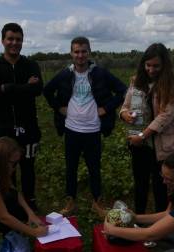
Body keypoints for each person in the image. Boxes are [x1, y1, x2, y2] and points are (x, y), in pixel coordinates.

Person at [43, 36, 127, 216]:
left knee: (94, 167)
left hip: (93, 129)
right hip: (72, 128)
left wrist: (107, 108)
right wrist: (59, 107)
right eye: (76, 51)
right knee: (70, 167)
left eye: (83, 51)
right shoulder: (65, 74)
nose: (80, 55)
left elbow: (122, 90)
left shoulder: (100, 73)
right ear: (71, 53)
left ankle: (97, 202)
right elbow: (47, 90)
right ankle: (70, 202)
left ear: (89, 52)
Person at [0, 23, 43, 212]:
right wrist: (25, 88)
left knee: (28, 167)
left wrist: (8, 88)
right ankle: (10, 204)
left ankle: (30, 202)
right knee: (5, 169)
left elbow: (38, 89)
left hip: (29, 125)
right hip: (3, 126)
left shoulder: (31, 64)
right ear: (2, 40)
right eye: (10, 39)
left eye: (18, 39)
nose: (14, 43)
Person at [119, 43, 174, 214]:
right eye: (148, 65)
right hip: (140, 145)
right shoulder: (136, 81)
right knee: (140, 184)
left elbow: (165, 116)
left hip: (162, 146)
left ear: (164, 66)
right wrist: (124, 115)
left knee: (161, 188)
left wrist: (143, 135)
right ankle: (138, 219)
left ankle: (160, 225)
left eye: (156, 66)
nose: (151, 69)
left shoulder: (171, 86)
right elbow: (125, 106)